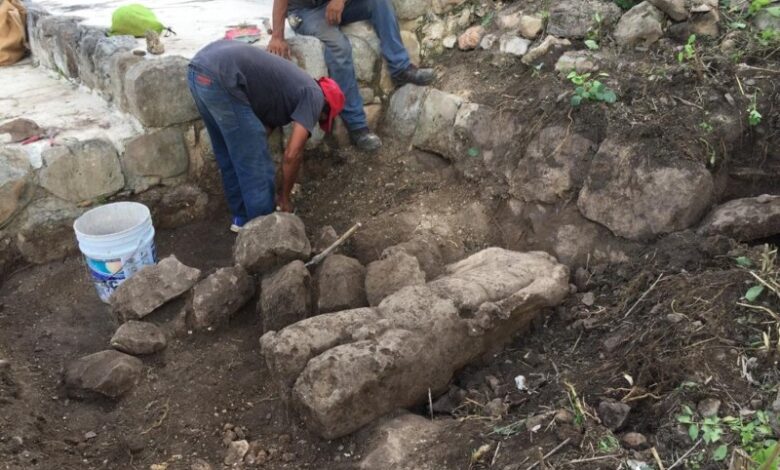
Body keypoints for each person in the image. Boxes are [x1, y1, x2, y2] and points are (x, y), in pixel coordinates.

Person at [187, 40, 345, 232]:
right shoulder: (315, 96)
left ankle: (242, 219)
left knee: (230, 154)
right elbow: (292, 154)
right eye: (321, 118)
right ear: (325, 107)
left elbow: (260, 129)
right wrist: (285, 199)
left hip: (200, 70)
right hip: (222, 75)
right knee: (257, 165)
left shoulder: (289, 87)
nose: (315, 121)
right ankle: (264, 232)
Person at [267, 0, 435, 151]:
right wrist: (277, 36)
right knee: (339, 47)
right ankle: (357, 126)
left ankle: (401, 69)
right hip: (306, 11)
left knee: (379, 3)